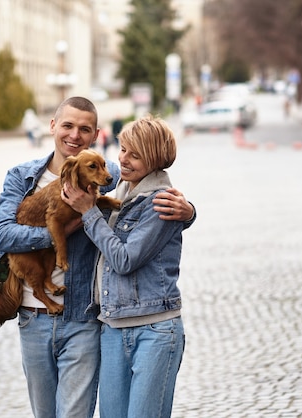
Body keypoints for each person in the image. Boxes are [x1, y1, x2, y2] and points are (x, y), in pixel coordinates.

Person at [0, 97, 195, 418]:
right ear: (52, 126)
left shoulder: (110, 173)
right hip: (33, 317)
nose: (74, 135)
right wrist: (61, 230)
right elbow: (1, 235)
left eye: (84, 129)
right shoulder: (23, 178)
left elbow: (152, 191)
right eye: (67, 126)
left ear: (95, 135)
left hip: (83, 319)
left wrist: (188, 212)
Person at [64, 114, 187, 418]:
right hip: (113, 327)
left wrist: (89, 212)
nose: (124, 160)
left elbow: (124, 259)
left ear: (155, 158)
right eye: (123, 150)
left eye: (135, 154)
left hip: (154, 330)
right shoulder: (119, 189)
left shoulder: (161, 202)